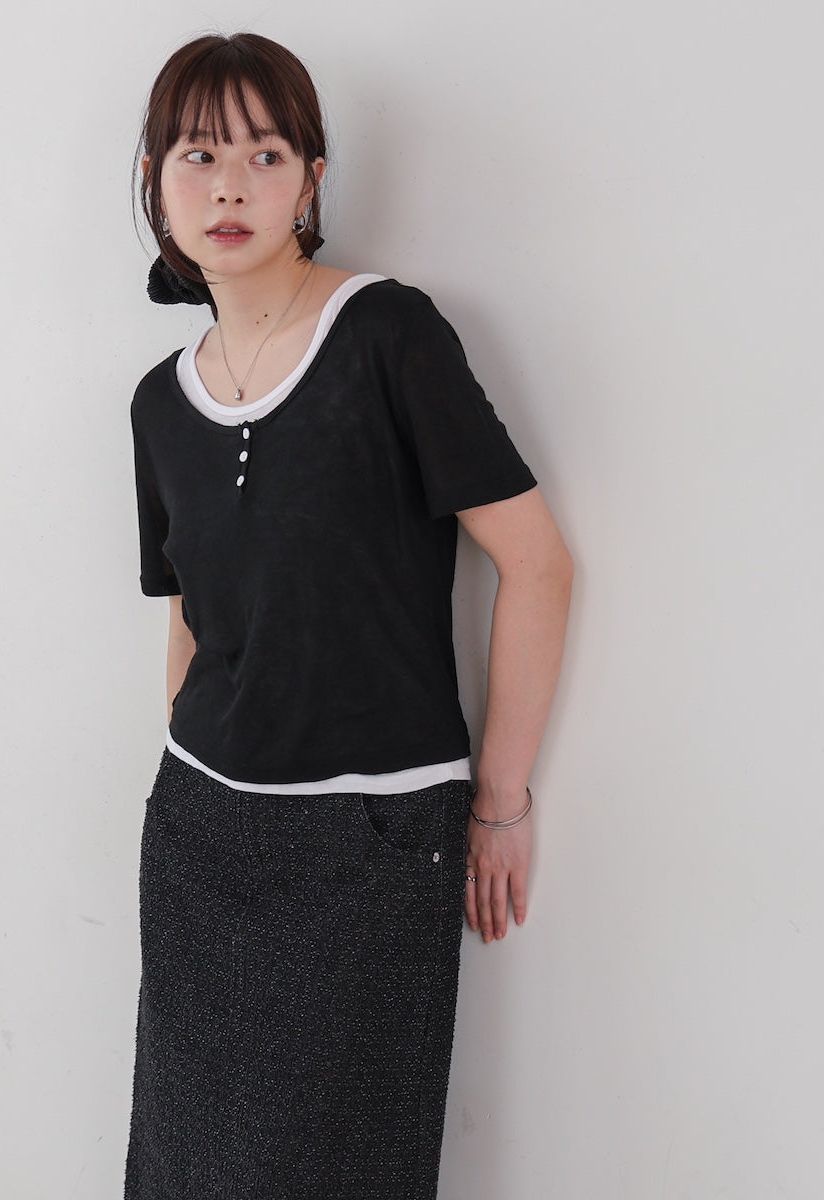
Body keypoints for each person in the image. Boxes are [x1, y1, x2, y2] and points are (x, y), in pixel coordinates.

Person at [124, 31, 572, 1200]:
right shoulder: (158, 404)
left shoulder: (386, 334)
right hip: (199, 834)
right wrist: (197, 768)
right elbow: (189, 615)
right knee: (182, 1167)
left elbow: (536, 565)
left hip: (370, 846)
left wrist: (499, 803)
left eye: (264, 154)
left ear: (311, 180)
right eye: (198, 155)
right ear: (155, 182)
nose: (230, 186)